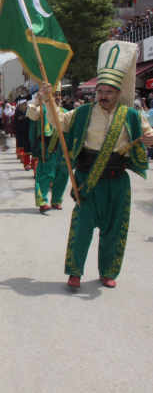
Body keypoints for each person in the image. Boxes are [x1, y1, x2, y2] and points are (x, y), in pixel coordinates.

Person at [40, 41, 152, 288]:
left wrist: (148, 139)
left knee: (114, 228)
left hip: (117, 179)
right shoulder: (82, 113)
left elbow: (151, 136)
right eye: (99, 91)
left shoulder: (131, 115)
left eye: (108, 92)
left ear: (118, 93)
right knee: (82, 226)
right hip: (86, 177)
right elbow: (58, 121)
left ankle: (108, 272)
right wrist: (48, 99)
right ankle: (75, 272)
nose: (102, 96)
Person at [27, 84, 69, 213]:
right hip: (47, 148)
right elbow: (30, 114)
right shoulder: (41, 110)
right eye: (54, 94)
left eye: (58, 95)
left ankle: (56, 201)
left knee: (62, 175)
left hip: (62, 149)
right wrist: (36, 99)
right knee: (45, 175)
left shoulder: (65, 112)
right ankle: (43, 201)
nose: (57, 97)